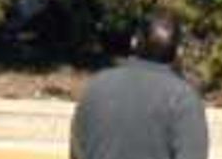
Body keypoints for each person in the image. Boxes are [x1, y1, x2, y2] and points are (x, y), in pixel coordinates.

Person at [69, 12, 210, 159]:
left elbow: (77, 150)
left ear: (134, 42)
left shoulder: (96, 87)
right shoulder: (182, 99)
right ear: (179, 51)